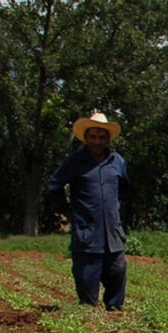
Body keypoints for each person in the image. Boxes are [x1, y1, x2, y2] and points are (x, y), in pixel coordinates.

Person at [49, 112, 130, 311]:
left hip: (113, 235)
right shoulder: (75, 161)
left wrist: (117, 212)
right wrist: (68, 212)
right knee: (87, 288)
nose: (97, 141)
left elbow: (125, 189)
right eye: (93, 136)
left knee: (118, 273)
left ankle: (114, 314)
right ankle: (89, 321)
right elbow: (54, 186)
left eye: (102, 137)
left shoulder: (117, 162)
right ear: (86, 138)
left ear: (108, 139)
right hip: (87, 236)